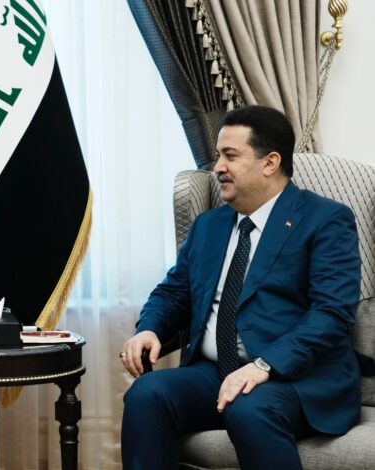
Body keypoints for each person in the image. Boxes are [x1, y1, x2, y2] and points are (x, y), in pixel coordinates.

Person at [120, 106, 361, 469]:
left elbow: (331, 313)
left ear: (270, 162)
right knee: (146, 393)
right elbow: (174, 292)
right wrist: (149, 328)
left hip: (296, 377)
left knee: (247, 407)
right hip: (214, 372)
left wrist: (265, 365)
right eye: (218, 156)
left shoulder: (326, 220)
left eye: (230, 156)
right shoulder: (208, 226)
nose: (218, 167)